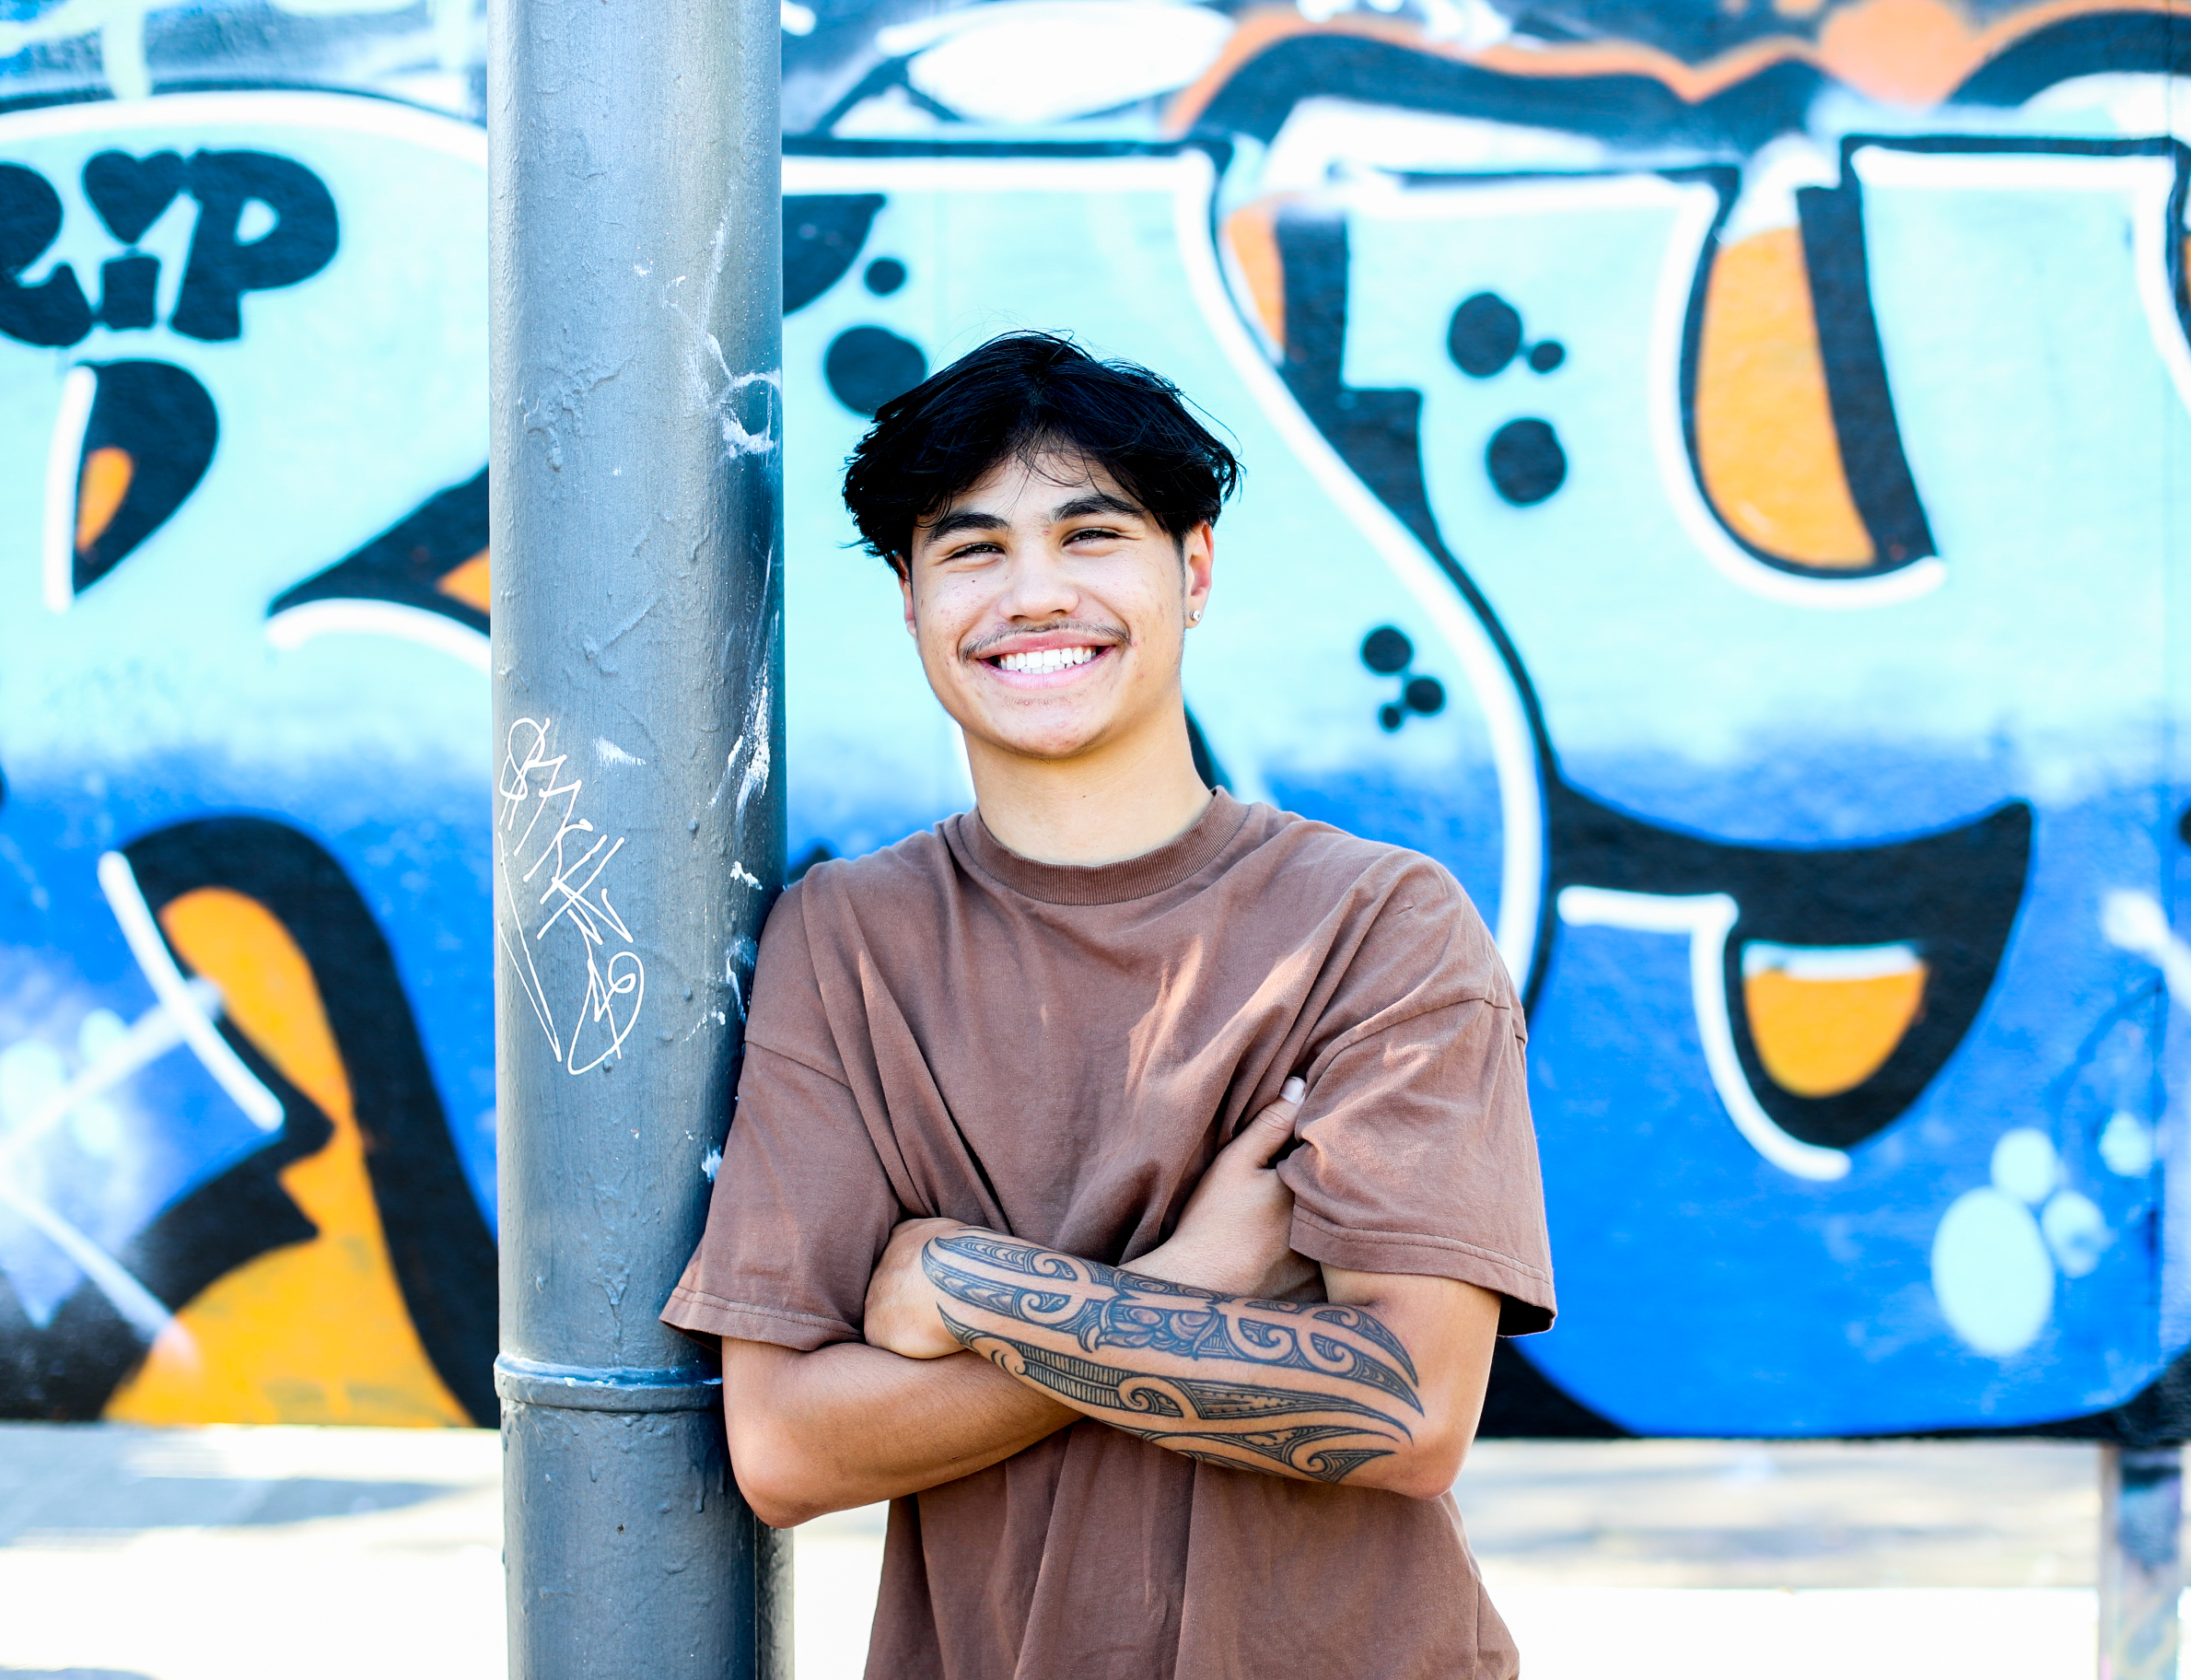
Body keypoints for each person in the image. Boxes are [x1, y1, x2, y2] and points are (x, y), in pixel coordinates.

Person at [662, 332, 1555, 1678]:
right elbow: (786, 1445)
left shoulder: (1378, 925)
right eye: (971, 550)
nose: (1034, 595)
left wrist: (968, 1284)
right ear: (910, 599)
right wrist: (1184, 1283)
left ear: (1192, 571)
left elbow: (1408, 1408)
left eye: (1092, 536)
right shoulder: (848, 941)